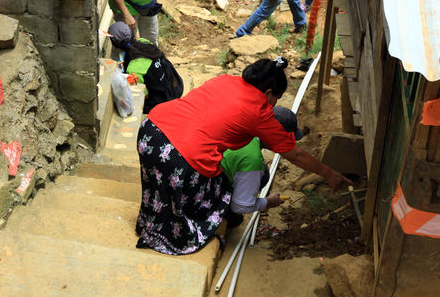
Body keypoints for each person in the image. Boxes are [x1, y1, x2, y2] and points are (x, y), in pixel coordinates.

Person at [135, 57, 351, 255]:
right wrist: (329, 174)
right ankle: (179, 233)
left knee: (166, 183)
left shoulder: (225, 80)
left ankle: (154, 223)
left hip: (151, 132)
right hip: (179, 157)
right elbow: (294, 154)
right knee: (218, 194)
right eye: (277, 98)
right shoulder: (258, 111)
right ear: (267, 93)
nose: (274, 104)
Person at [221, 106, 304, 228]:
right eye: (285, 138)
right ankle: (224, 213)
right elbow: (240, 207)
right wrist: (267, 202)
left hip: (202, 171)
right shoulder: (253, 159)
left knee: (263, 172)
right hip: (201, 193)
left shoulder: (243, 122)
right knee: (235, 219)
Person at [107, 21, 182, 113]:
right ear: (131, 33)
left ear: (115, 45)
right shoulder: (144, 42)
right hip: (174, 88)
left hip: (161, 102)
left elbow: (142, 93)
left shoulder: (133, 68)